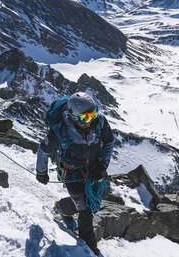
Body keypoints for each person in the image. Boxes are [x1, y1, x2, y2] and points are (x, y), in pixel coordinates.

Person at [36, 92, 114, 257]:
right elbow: (43, 150)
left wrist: (102, 165)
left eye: (93, 113)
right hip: (72, 174)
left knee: (92, 200)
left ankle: (63, 208)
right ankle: (90, 249)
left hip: (93, 170)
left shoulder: (99, 122)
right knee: (85, 211)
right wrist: (41, 172)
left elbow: (109, 141)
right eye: (86, 117)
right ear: (73, 116)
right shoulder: (60, 131)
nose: (91, 120)